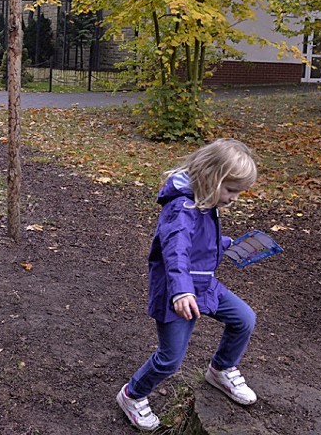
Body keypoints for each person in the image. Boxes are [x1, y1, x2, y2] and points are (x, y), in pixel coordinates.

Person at [116, 139, 259, 431]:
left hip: (204, 285)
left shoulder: (206, 200)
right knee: (169, 360)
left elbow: (200, 242)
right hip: (176, 293)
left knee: (244, 319)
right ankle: (132, 394)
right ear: (211, 176)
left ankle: (220, 369)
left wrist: (228, 245)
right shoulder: (182, 207)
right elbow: (176, 250)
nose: (233, 198)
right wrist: (182, 290)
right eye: (231, 190)